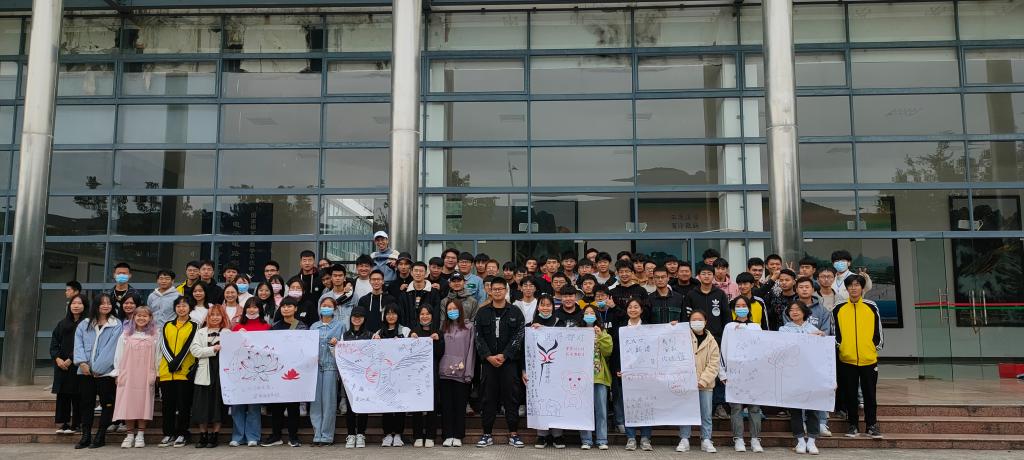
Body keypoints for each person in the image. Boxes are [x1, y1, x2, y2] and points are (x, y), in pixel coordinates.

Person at [474, 277, 526, 448]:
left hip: (509, 363)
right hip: (488, 363)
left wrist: (505, 355)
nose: (497, 292)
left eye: (500, 289)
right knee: (488, 398)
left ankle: (514, 434)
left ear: (506, 291)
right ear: (490, 291)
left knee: (511, 398)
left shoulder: (515, 312)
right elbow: (478, 337)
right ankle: (486, 434)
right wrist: (488, 356)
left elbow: (519, 336)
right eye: (494, 289)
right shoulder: (482, 312)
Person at [832, 274, 883, 440]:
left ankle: (871, 425)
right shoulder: (839, 308)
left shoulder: (871, 306)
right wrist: (841, 347)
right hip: (847, 359)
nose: (853, 288)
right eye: (850, 285)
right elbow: (835, 331)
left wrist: (874, 347)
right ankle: (852, 425)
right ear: (846, 288)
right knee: (850, 394)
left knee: (870, 394)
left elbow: (878, 330)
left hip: (869, 359)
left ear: (862, 288)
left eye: (857, 285)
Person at [73, 293, 124, 449]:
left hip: (105, 373)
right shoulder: (84, 324)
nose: (106, 306)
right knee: (86, 403)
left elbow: (112, 349)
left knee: (107, 403)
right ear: (96, 305)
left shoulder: (116, 324)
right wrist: (82, 362)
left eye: (109, 303)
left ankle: (100, 436)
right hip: (85, 372)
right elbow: (78, 344)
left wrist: (98, 369)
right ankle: (85, 436)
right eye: (102, 303)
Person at [780, 301, 827, 455]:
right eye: (791, 310)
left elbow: (823, 354)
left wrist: (821, 337)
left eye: (797, 309)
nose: (794, 312)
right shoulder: (783, 330)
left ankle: (812, 441)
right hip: (792, 375)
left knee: (813, 408)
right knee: (795, 409)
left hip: (811, 375)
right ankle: (800, 440)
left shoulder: (814, 329)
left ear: (804, 312)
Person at [719, 296, 764, 453]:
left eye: (744, 305)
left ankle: (755, 439)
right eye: (738, 306)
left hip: (753, 373)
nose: (741, 308)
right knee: (736, 407)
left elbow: (762, 349)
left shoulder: (756, 327)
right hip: (734, 373)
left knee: (754, 408)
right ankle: (738, 438)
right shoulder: (729, 327)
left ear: (749, 308)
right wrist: (722, 373)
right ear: (734, 309)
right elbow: (723, 350)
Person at [112, 305, 159, 449]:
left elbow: (158, 356)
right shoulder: (125, 335)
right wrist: (118, 373)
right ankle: (129, 435)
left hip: (146, 374)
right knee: (128, 403)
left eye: (145, 316)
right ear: (133, 317)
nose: (141, 318)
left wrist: (156, 373)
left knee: (144, 404)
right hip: (128, 374)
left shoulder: (155, 336)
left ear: (150, 318)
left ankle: (140, 435)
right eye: (139, 315)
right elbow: (118, 355)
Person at [264, 298, 307, 447]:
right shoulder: (274, 327)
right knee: (277, 406)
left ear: (295, 309)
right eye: (283, 306)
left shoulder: (302, 327)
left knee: (293, 406)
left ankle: (293, 437)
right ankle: (276, 436)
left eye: (289, 306)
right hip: (277, 371)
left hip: (294, 371)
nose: (286, 309)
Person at [527, 295, 568, 450]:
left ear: (553, 307)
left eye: (548, 305)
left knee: (557, 400)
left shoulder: (560, 323)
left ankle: (558, 435)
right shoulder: (530, 326)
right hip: (537, 371)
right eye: (542, 305)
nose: (545, 308)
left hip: (557, 370)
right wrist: (524, 370)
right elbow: (525, 351)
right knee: (540, 400)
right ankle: (541, 435)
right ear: (538, 307)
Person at [677, 309, 720, 453]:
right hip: (687, 383)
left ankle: (706, 439)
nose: (697, 322)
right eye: (693, 320)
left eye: (700, 319)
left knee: (706, 413)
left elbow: (714, 364)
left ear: (705, 322)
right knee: (685, 411)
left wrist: (703, 380)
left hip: (705, 385)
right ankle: (684, 439)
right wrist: (673, 327)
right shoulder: (682, 337)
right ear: (689, 322)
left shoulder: (711, 341)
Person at [158, 296, 198, 448]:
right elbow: (163, 345)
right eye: (178, 306)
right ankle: (168, 433)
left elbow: (189, 346)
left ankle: (182, 433)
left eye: (184, 305)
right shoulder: (167, 325)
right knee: (167, 405)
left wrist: (177, 363)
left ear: (190, 308)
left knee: (183, 405)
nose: (181, 308)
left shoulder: (195, 325)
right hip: (167, 372)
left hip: (184, 372)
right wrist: (171, 363)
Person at [229, 298, 269, 447]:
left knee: (254, 406)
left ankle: (253, 436)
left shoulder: (266, 327)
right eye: (249, 307)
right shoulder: (237, 327)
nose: (252, 310)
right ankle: (238, 436)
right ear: (245, 309)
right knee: (237, 405)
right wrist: (236, 337)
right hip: (240, 371)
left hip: (258, 371)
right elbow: (231, 350)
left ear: (260, 309)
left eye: (255, 307)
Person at [190, 305, 231, 448]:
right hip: (204, 372)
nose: (215, 317)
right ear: (208, 316)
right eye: (212, 314)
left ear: (223, 317)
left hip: (221, 373)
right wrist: (213, 349)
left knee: (218, 405)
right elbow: (195, 351)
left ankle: (215, 435)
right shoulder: (200, 332)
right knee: (202, 405)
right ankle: (203, 435)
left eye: (218, 315)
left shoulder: (227, 332)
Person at [439, 299, 475, 448]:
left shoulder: (469, 327)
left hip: (461, 373)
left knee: (460, 406)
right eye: (449, 309)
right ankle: (448, 435)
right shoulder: (443, 327)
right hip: (444, 372)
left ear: (460, 310)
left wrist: (468, 372)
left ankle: (458, 435)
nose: (452, 311)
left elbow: (471, 351)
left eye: (454, 308)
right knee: (446, 406)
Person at [374, 304, 411, 447]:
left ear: (398, 315)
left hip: (401, 374)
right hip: (384, 375)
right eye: (388, 313)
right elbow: (374, 353)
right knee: (387, 404)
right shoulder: (378, 332)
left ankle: (399, 434)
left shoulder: (405, 331)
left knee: (399, 404)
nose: (391, 316)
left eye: (394, 313)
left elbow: (411, 350)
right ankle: (388, 434)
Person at [310, 297, 344, 446]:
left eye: (329, 306)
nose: (326, 308)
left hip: (331, 366)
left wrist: (336, 344)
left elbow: (345, 348)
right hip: (315, 368)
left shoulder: (340, 326)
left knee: (329, 402)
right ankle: (317, 434)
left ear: (334, 309)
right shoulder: (314, 326)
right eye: (324, 305)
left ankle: (327, 436)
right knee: (316, 402)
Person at [579, 305, 613, 451]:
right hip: (581, 378)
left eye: (592, 313)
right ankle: (586, 440)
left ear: (597, 316)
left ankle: (602, 439)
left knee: (601, 410)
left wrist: (600, 335)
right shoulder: (577, 332)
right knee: (584, 409)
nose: (589, 315)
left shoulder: (603, 332)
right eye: (586, 313)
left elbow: (608, 352)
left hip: (599, 376)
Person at [410, 305, 445, 447]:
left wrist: (438, 340)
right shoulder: (413, 332)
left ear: (432, 315)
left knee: (432, 404)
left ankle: (431, 435)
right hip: (416, 374)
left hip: (432, 373)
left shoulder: (438, 332)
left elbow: (440, 354)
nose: (425, 316)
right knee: (416, 404)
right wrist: (410, 340)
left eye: (427, 314)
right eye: (422, 314)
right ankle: (418, 435)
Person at [52, 293, 86, 436]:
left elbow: (85, 344)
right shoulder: (62, 323)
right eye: (73, 303)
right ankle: (63, 423)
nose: (76, 306)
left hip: (78, 364)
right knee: (63, 394)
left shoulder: (87, 323)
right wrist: (57, 359)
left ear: (85, 306)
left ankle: (77, 423)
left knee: (78, 395)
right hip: (62, 365)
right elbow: (54, 343)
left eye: (79, 303)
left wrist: (71, 359)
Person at [619, 298, 651, 451]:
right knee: (629, 405)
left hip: (645, 373)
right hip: (626, 374)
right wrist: (618, 369)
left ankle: (645, 438)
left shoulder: (649, 328)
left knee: (646, 404)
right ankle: (631, 438)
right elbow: (616, 351)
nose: (633, 310)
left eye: (636, 307)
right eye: (630, 307)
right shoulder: (621, 328)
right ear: (626, 310)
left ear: (641, 310)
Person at [343, 306, 373, 449]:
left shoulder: (370, 334)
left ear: (364, 319)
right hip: (349, 377)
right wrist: (334, 345)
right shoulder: (345, 335)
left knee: (363, 405)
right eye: (354, 316)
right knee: (350, 407)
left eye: (360, 316)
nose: (357, 319)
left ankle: (361, 434)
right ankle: (351, 434)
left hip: (365, 377)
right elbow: (338, 354)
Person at [401, 261, 441, 328]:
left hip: (429, 331)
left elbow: (436, 315)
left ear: (426, 273)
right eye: (416, 271)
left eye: (421, 271)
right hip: (409, 332)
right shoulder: (405, 293)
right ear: (411, 273)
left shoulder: (433, 293)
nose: (418, 273)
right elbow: (402, 315)